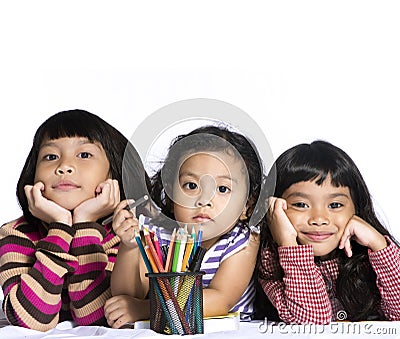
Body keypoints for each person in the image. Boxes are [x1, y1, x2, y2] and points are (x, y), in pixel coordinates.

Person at [0, 109, 150, 331]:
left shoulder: (126, 233)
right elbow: (30, 321)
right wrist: (61, 227)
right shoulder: (16, 233)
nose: (64, 166)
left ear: (112, 176)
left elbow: (100, 320)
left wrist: (84, 224)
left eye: (84, 155)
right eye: (51, 157)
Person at [105, 124, 265, 328]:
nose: (204, 199)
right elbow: (129, 296)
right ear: (170, 194)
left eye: (223, 189)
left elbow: (221, 300)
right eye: (191, 186)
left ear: (246, 206)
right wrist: (128, 248)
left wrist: (144, 309)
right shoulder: (157, 234)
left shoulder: (243, 240)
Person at [256, 140, 400, 324]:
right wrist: (288, 243)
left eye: (335, 205)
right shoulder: (272, 260)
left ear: (356, 208)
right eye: (301, 205)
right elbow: (314, 322)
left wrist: (378, 244)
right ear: (274, 209)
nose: (319, 218)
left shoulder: (365, 256)